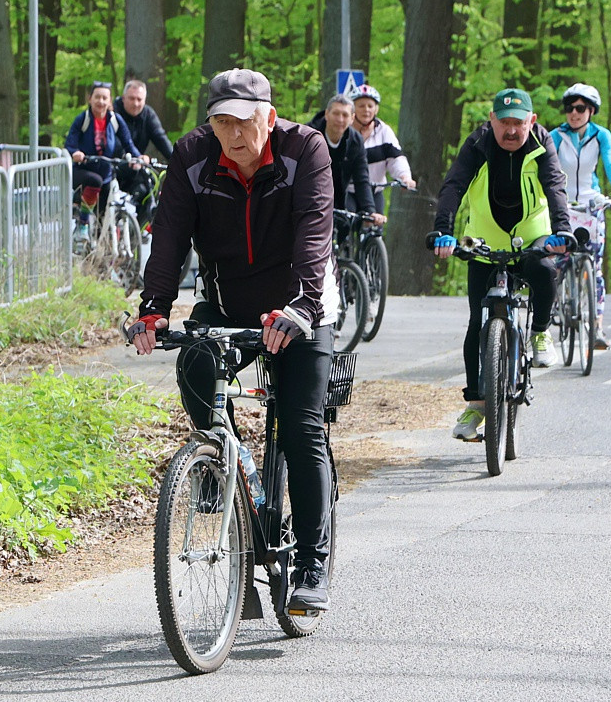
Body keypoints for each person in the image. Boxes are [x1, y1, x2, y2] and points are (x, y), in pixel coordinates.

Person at [128, 68, 339, 612]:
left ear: (268, 117)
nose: (234, 134)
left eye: (244, 122)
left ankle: (313, 565)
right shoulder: (192, 156)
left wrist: (304, 305)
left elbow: (315, 231)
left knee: (300, 426)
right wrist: (153, 306)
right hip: (227, 302)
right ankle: (217, 465)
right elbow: (170, 231)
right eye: (222, 122)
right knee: (195, 362)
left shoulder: (305, 150)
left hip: (299, 302)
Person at [432, 88, 573, 442]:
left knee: (543, 270)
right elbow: (454, 186)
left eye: (519, 123)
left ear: (532, 121)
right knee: (476, 321)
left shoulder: (542, 144)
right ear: (491, 120)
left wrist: (562, 231)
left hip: (533, 235)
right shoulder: (478, 144)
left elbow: (555, 186)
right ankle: (476, 404)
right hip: (483, 239)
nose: (511, 131)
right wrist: (442, 232)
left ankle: (540, 331)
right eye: (504, 123)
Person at [550, 83, 611, 350]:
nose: (573, 113)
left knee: (594, 266)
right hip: (562, 204)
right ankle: (554, 305)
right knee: (557, 261)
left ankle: (597, 326)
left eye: (580, 108)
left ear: (591, 111)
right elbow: (547, 167)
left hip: (591, 204)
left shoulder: (601, 136)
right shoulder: (555, 136)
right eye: (569, 108)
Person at [64, 81, 141, 243]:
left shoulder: (115, 120)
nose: (101, 101)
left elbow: (128, 143)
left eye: (104, 98)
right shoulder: (83, 119)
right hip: (82, 170)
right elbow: (70, 143)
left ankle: (100, 258)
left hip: (106, 173)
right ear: (90, 99)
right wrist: (76, 153)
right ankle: (83, 225)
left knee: (103, 217)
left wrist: (138, 158)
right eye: (97, 97)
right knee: (95, 181)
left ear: (110, 101)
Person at [306, 94, 382, 226]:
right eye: (336, 113)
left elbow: (361, 179)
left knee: (345, 226)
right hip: (309, 193)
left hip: (338, 194)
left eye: (345, 115)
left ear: (352, 118)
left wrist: (370, 210)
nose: (340, 119)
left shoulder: (355, 141)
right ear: (327, 114)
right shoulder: (308, 135)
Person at [347, 84, 416, 214]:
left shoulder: (384, 131)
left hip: (375, 191)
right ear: (353, 109)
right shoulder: (346, 132)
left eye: (370, 106)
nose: (366, 110)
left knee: (375, 229)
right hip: (349, 191)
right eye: (361, 106)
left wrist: (405, 176)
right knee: (345, 224)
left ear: (376, 109)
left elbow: (396, 158)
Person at [113, 79, 174, 227]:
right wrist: (131, 157)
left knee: (148, 188)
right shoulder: (112, 113)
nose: (135, 103)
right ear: (123, 98)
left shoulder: (148, 115)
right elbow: (113, 143)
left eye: (139, 99)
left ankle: (134, 236)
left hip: (136, 168)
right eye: (131, 98)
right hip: (114, 165)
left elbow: (161, 140)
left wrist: (179, 162)